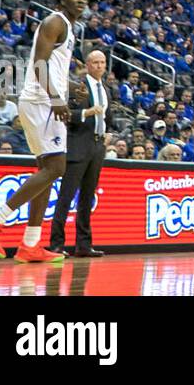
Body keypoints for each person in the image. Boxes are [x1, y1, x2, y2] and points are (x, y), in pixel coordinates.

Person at [0, 0, 89, 263]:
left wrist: (70, 87)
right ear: (63, 0)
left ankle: (30, 245)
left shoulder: (69, 27)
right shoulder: (55, 21)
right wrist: (57, 98)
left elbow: (52, 66)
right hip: (41, 102)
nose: (81, 1)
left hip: (42, 100)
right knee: (56, 168)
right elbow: (38, 64)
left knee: (47, 171)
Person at [50, 49, 110, 256]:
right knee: (66, 196)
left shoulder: (106, 89)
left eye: (102, 62)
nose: (99, 66)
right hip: (78, 146)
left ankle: (83, 245)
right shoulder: (77, 87)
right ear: (87, 65)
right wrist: (87, 112)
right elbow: (64, 114)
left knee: (87, 198)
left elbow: (106, 118)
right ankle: (56, 244)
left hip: (97, 147)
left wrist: (107, 134)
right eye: (95, 62)